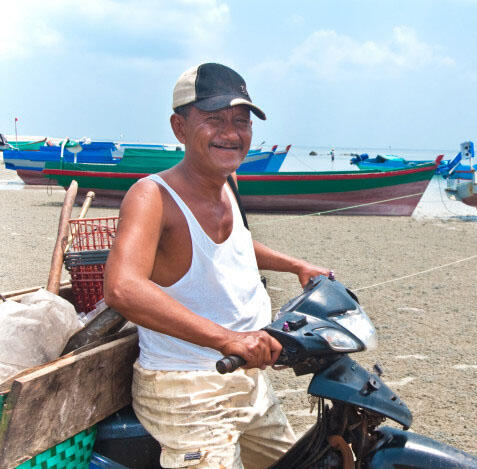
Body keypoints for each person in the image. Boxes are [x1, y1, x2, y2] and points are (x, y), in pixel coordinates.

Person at [104, 62, 330, 468]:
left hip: (249, 381)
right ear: (179, 127)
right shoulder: (152, 196)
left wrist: (296, 265)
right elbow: (122, 288)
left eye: (241, 121)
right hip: (185, 389)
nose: (231, 133)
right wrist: (227, 339)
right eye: (214, 120)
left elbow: (235, 246)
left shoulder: (229, 181)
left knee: (302, 463)